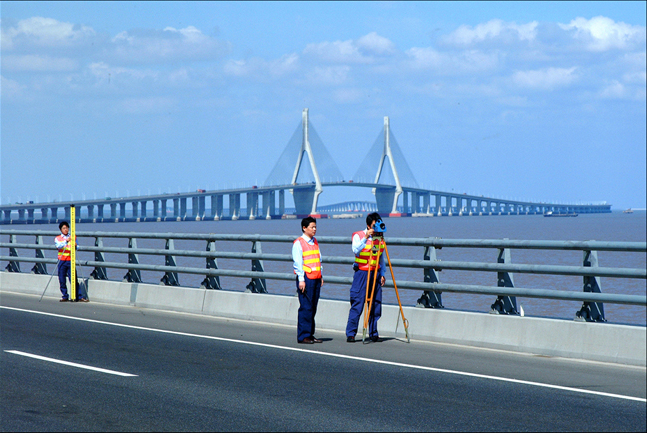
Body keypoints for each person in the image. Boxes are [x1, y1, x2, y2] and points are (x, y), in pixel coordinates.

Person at [346, 212, 386, 343]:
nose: (376, 228)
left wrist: (382, 274)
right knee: (358, 303)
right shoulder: (358, 235)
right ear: (368, 226)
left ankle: (373, 333)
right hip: (362, 273)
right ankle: (351, 333)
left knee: (375, 304)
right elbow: (355, 250)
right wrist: (366, 237)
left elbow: (381, 258)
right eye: (374, 225)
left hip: (375, 273)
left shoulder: (379, 239)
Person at [292, 216, 323, 344]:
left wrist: (321, 275)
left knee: (313, 307)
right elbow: (298, 263)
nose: (314, 229)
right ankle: (303, 336)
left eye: (315, 227)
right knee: (306, 307)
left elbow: (319, 259)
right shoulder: (299, 243)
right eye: (312, 227)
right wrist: (301, 279)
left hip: (316, 277)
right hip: (306, 278)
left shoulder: (314, 241)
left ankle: (310, 334)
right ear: (304, 228)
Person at [54, 221, 88, 302]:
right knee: (62, 279)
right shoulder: (58, 238)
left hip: (70, 260)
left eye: (67, 228)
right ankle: (65, 295)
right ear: (61, 229)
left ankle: (79, 296)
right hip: (62, 261)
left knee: (73, 279)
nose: (65, 230)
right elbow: (58, 246)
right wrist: (66, 241)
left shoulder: (73, 237)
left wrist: (76, 246)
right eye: (64, 228)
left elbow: (78, 246)